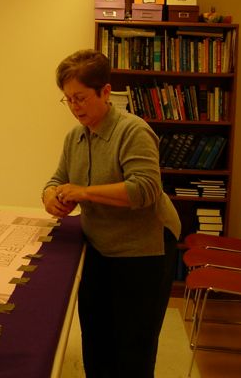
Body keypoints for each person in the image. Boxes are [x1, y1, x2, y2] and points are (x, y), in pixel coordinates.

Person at [41, 49, 180, 378]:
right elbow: (57, 179)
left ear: (105, 92)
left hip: (144, 249)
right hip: (99, 246)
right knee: (97, 338)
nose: (75, 108)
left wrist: (83, 193)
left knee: (133, 345)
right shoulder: (75, 136)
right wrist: (50, 196)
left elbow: (145, 189)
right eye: (68, 100)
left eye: (81, 98)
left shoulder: (133, 131)